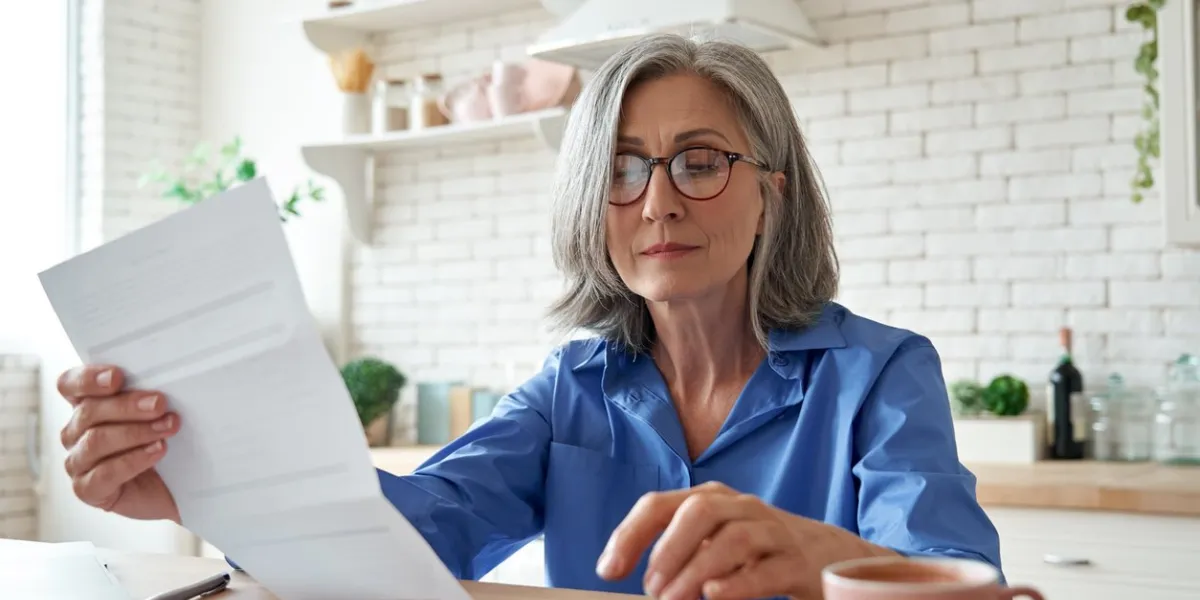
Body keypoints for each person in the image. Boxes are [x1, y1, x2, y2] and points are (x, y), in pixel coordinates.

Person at [55, 33, 1001, 600]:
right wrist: (193, 480)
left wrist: (816, 556)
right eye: (622, 169)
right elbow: (408, 534)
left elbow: (963, 582)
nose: (658, 202)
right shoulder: (569, 392)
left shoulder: (879, 375)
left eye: (700, 160)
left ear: (773, 195)